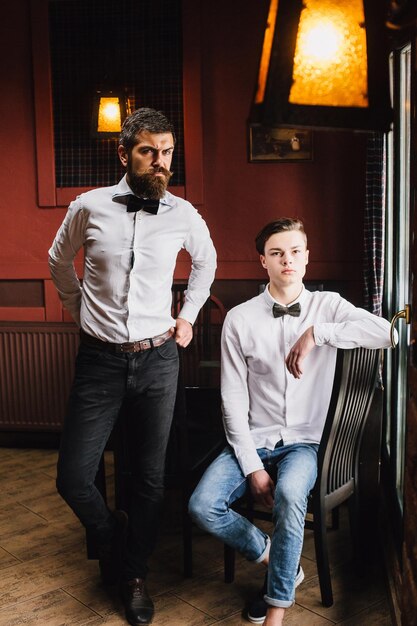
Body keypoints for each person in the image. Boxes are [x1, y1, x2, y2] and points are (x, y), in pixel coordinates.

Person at [48, 107, 216, 626]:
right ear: (125, 154)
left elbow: (207, 263)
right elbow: (58, 261)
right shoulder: (89, 206)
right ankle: (114, 536)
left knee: (147, 477)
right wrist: (81, 313)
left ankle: (134, 574)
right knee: (73, 477)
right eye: (149, 151)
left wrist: (187, 316)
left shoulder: (184, 214)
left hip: (158, 359)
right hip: (99, 360)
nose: (160, 161)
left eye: (167, 152)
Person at [188, 217, 393, 626]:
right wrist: (251, 466)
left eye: (296, 251)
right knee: (202, 505)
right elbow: (232, 399)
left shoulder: (328, 306)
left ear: (307, 257)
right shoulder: (241, 319)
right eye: (277, 253)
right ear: (262, 260)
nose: (288, 260)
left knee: (290, 494)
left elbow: (387, 333)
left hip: (306, 442)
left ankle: (276, 613)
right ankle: (278, 559)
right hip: (255, 438)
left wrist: (318, 333)